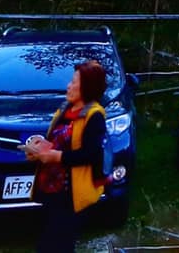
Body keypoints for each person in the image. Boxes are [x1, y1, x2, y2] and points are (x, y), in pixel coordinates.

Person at [22, 58, 108, 253]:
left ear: (86, 88)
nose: (68, 86)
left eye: (74, 82)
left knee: (57, 244)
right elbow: (54, 140)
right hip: (51, 189)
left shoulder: (94, 116)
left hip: (70, 194)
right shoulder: (65, 109)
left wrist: (56, 157)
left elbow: (90, 154)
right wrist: (37, 151)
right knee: (50, 242)